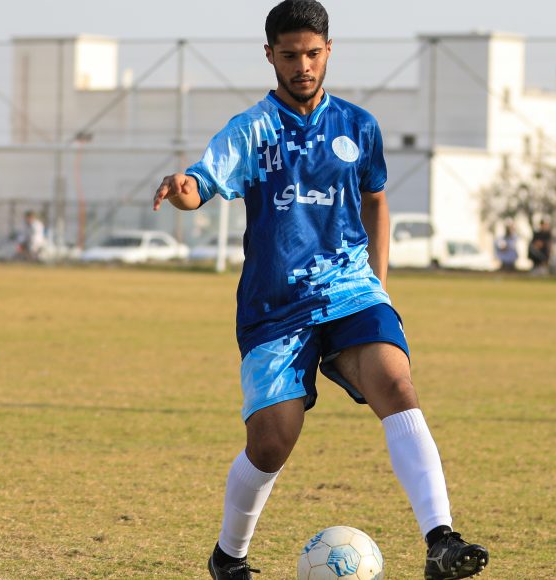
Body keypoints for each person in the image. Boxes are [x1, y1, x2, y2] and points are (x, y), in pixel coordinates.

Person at [152, 3, 489, 578]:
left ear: (329, 50)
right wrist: (181, 188)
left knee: (396, 385)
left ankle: (441, 540)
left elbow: (375, 199)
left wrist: (378, 284)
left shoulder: (359, 126)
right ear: (270, 56)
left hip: (351, 290)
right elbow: (200, 184)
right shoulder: (251, 130)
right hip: (275, 306)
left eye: (312, 54)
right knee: (272, 441)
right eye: (289, 55)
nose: (302, 66)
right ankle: (228, 557)